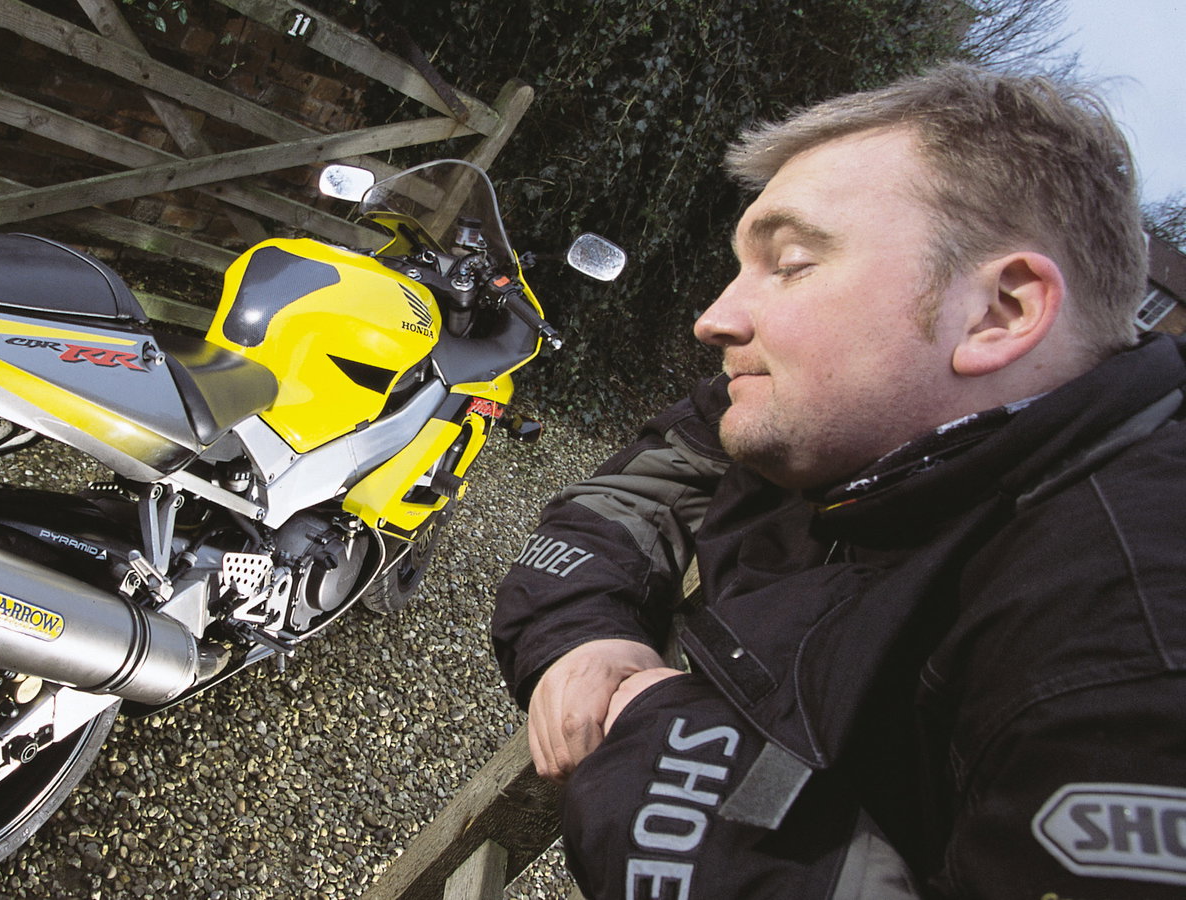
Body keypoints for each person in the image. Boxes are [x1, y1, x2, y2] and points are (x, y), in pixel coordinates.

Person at [492, 62, 1186, 898]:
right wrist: (583, 635)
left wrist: (669, 770)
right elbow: (622, 502)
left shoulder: (1134, 643)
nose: (713, 319)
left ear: (999, 312)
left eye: (789, 263)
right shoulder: (810, 411)